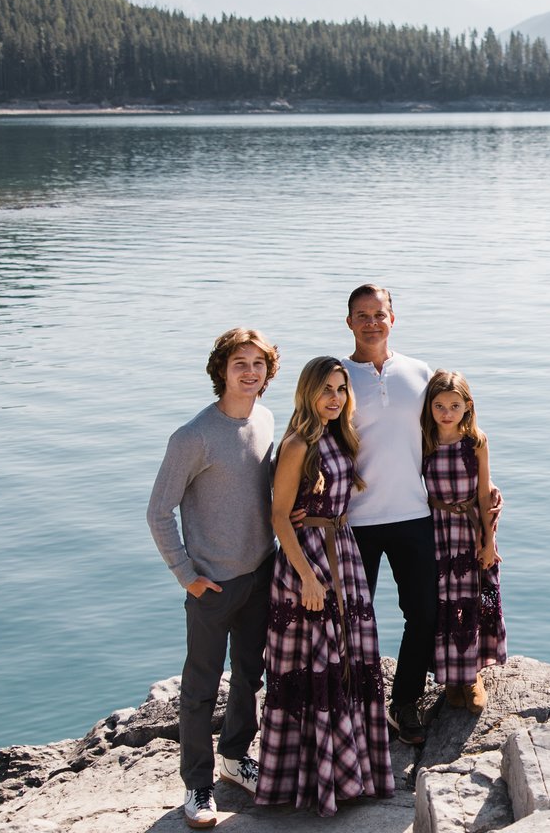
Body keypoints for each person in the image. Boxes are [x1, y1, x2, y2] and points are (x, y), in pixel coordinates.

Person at [146, 328, 279, 830]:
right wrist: (187, 575)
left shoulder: (265, 419)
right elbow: (159, 512)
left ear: (268, 372)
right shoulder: (193, 436)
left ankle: (236, 757)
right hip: (212, 585)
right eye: (239, 363)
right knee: (200, 687)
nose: (250, 372)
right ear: (221, 369)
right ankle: (197, 784)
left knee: (250, 675)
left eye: (258, 364)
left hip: (261, 573)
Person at [255, 356, 394, 815]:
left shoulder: (338, 435)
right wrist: (308, 578)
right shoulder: (298, 443)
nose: (335, 398)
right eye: (326, 389)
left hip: (342, 554)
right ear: (308, 392)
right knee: (315, 666)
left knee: (347, 664)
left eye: (341, 389)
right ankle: (314, 782)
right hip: (308, 563)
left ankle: (350, 774)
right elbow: (279, 517)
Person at [339, 284, 438, 743]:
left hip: (413, 513)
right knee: (352, 621)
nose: (371, 323)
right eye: (362, 315)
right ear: (349, 322)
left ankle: (404, 703)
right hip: (353, 521)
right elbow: (307, 437)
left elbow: (451, 433)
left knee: (424, 612)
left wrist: (486, 483)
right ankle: (354, 705)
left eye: (379, 314)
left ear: (392, 319)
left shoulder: (420, 372)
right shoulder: (337, 376)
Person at [420, 370, 507, 709]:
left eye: (454, 406)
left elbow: (484, 494)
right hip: (436, 531)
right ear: (429, 407)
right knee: (442, 603)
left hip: (469, 531)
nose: (446, 413)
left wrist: (488, 542)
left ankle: (471, 676)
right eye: (439, 406)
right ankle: (449, 678)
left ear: (468, 406)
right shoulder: (423, 441)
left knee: (469, 602)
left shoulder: (476, 442)